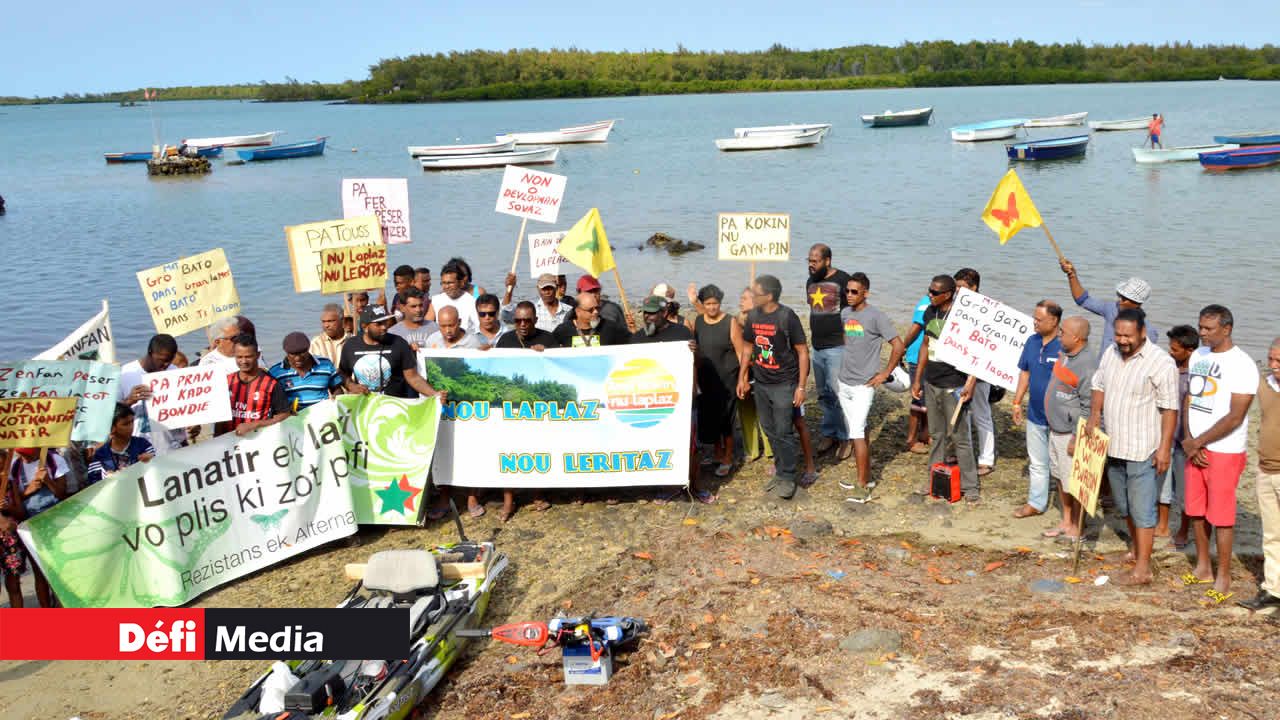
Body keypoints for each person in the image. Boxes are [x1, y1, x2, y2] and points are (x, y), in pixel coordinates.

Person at [1087, 308, 1179, 586]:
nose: (1122, 340)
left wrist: (1164, 448)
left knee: (1142, 510)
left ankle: (1143, 569)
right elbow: (1098, 384)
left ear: (1142, 332)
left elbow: (1170, 409)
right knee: (1124, 506)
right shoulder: (1110, 353)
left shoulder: (1161, 363)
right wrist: (1094, 415)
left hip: (1143, 449)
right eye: (1118, 334)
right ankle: (1136, 550)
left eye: (1128, 335)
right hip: (1113, 445)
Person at [1181, 305, 1257, 604]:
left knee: (1222, 516)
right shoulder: (1198, 355)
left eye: (1209, 329)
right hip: (1195, 446)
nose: (1202, 333)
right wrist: (1189, 439)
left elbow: (1236, 416)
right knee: (1196, 510)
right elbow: (1189, 398)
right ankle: (1203, 567)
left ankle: (1223, 577)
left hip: (1224, 450)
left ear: (1227, 329)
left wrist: (1200, 442)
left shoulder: (1243, 364)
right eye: (1200, 327)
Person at [835, 273, 905, 502]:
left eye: (854, 291)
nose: (849, 295)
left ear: (866, 293)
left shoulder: (877, 316)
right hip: (844, 381)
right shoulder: (845, 313)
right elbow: (849, 342)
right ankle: (865, 477)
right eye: (847, 291)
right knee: (860, 430)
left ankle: (862, 486)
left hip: (863, 386)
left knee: (856, 433)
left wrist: (885, 373)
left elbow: (898, 345)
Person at [737, 275, 808, 500]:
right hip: (761, 382)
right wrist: (742, 377)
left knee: (783, 430)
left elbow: (802, 352)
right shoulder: (753, 316)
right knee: (768, 428)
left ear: (768, 296)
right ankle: (780, 470)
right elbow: (747, 348)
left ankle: (788, 476)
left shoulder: (787, 317)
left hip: (784, 383)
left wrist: (801, 387)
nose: (752, 296)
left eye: (755, 293)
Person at [913, 275, 981, 502]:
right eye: (929, 290)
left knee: (960, 437)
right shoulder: (930, 312)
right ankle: (934, 478)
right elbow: (925, 345)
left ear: (948, 294)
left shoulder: (962, 316)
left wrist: (971, 382)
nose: (930, 295)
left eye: (934, 292)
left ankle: (970, 487)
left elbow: (977, 352)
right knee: (936, 434)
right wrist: (918, 379)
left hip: (954, 384)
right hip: (931, 382)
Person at [1042, 316, 1095, 540]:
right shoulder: (1065, 354)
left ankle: (1077, 526)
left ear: (1076, 337)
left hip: (1070, 433)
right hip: (1055, 428)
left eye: (1063, 332)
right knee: (1059, 476)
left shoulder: (1087, 365)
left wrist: (1076, 437)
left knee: (1074, 482)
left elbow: (1089, 406)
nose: (1059, 334)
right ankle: (1066, 520)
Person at [1012, 300, 1064, 519]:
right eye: (1034, 318)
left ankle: (1068, 510)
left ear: (1054, 321)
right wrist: (1017, 402)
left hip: (1060, 418)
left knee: (1063, 465)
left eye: (1039, 319)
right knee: (1037, 462)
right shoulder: (1032, 342)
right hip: (1035, 413)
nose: (1034, 322)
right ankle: (1036, 503)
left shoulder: (1064, 346)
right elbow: (1025, 372)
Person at [1239, 336, 1280, 610]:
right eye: (1271, 359)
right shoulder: (1265, 385)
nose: (1274, 365)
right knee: (1272, 534)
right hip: (1265, 468)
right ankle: (1274, 590)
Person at [688, 285, 744, 482]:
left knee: (726, 418)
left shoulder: (730, 322)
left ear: (720, 303)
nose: (712, 307)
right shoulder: (699, 321)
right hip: (706, 377)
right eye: (708, 304)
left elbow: (741, 352)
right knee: (709, 417)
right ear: (703, 305)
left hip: (727, 378)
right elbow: (695, 346)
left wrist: (743, 379)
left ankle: (728, 457)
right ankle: (717, 453)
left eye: (715, 303)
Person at [340, 305, 447, 400]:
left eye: (385, 322)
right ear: (365, 327)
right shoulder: (350, 346)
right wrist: (351, 386)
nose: (384, 327)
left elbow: (413, 377)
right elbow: (342, 373)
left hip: (395, 407)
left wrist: (435, 395)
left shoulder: (399, 343)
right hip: (364, 407)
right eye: (378, 324)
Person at [805, 244, 852, 456]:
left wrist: (852, 345)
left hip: (837, 347)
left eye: (815, 261)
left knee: (838, 393)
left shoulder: (843, 280)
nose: (811, 264)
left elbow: (853, 313)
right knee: (823, 394)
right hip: (817, 346)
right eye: (809, 260)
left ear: (827, 261)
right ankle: (829, 433)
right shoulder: (811, 281)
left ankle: (845, 437)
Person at [8, 447, 69, 606]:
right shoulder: (14, 467)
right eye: (22, 454)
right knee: (39, 571)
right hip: (31, 524)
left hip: (55, 522)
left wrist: (48, 481)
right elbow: (15, 500)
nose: (25, 457)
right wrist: (28, 490)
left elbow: (63, 494)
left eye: (28, 453)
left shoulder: (54, 460)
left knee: (60, 569)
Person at [1059, 258, 1159, 349]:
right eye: (1120, 296)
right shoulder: (1112, 309)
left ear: (1138, 303)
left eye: (1125, 299)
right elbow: (1083, 300)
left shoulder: (1148, 332)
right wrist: (1071, 275)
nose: (1120, 301)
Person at [953, 268, 996, 475]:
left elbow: (990, 343)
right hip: (958, 367)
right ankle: (964, 454)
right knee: (960, 413)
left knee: (981, 414)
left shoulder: (988, 309)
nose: (957, 291)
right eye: (956, 287)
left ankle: (986, 459)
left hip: (980, 370)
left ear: (974, 287)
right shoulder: (956, 305)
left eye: (961, 287)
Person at [119, 334, 188, 454]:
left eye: (169, 360)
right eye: (162, 360)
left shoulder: (175, 373)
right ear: (150, 353)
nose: (166, 364)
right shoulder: (125, 374)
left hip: (171, 447)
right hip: (138, 451)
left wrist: (192, 424)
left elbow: (187, 407)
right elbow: (110, 415)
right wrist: (129, 401)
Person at [1163, 325, 1198, 549]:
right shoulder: (1169, 368)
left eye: (1175, 349)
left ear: (1190, 350)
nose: (1170, 352)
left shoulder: (1195, 376)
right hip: (1166, 436)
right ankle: (1163, 524)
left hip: (1184, 440)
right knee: (1163, 484)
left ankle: (1184, 530)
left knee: (1185, 490)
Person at [216, 335, 289, 437]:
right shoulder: (227, 381)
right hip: (228, 442)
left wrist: (256, 424)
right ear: (234, 355)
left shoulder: (271, 384)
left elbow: (284, 415)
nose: (244, 361)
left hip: (258, 441)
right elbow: (219, 415)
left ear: (258, 355)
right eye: (239, 357)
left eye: (248, 357)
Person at [269, 332, 345, 412]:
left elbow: (337, 388)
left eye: (302, 353)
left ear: (308, 349)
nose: (298, 358)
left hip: (323, 415)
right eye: (293, 354)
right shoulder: (276, 372)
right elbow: (272, 401)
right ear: (286, 353)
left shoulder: (325, 365)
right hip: (292, 417)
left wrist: (335, 400)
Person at [85, 403, 156, 486]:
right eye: (126, 424)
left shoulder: (142, 445)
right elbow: (94, 484)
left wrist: (151, 461)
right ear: (111, 428)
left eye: (132, 422)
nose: (131, 426)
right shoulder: (100, 455)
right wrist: (107, 479)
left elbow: (157, 470)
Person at [900, 292, 933, 454]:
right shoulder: (926, 303)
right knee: (918, 398)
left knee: (928, 398)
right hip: (917, 356)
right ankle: (911, 440)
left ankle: (925, 433)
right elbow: (916, 327)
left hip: (932, 357)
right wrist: (902, 347)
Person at [554, 292, 629, 347]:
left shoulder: (610, 328)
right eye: (590, 310)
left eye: (597, 308)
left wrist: (632, 329)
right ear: (578, 311)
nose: (595, 312)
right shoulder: (563, 330)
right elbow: (549, 350)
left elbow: (632, 344)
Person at [503, 272, 571, 333]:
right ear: (538, 288)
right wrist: (510, 288)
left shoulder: (569, 310)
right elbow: (506, 314)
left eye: (550, 288)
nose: (547, 292)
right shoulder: (531, 310)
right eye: (544, 289)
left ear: (556, 288)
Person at [430, 261, 480, 334]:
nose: (446, 287)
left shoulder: (472, 302)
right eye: (443, 283)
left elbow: (479, 328)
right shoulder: (436, 300)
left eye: (450, 283)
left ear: (461, 283)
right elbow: (428, 326)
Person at [496, 301, 561, 350]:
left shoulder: (548, 339)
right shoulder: (505, 340)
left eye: (527, 321)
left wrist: (547, 352)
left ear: (535, 320)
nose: (522, 324)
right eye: (518, 321)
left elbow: (557, 361)